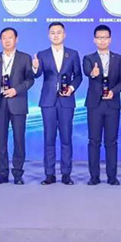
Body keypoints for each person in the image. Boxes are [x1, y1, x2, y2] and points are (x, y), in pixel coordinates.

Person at [0, 27, 35, 184]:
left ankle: (18, 174)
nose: (7, 40)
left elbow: (30, 79)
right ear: (0, 40)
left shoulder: (25, 58)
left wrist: (16, 90)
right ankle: (2, 174)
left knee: (19, 139)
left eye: (10, 37)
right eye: (4, 38)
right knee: (0, 140)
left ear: (16, 39)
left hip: (17, 102)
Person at [32, 22, 82, 185]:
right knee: (49, 138)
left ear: (64, 35)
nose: (56, 35)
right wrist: (35, 68)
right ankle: (49, 174)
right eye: (52, 33)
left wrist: (71, 88)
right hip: (48, 101)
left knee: (66, 138)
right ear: (48, 36)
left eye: (59, 32)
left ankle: (66, 174)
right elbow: (37, 75)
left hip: (67, 101)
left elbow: (78, 76)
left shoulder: (73, 54)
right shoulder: (42, 54)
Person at [82, 24, 121, 185]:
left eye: (105, 37)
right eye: (99, 38)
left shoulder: (119, 58)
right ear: (94, 40)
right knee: (94, 141)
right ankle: (94, 177)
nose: (102, 40)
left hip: (112, 104)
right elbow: (87, 71)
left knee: (111, 142)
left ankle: (112, 177)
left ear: (110, 39)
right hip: (95, 105)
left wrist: (114, 91)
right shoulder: (88, 58)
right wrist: (93, 73)